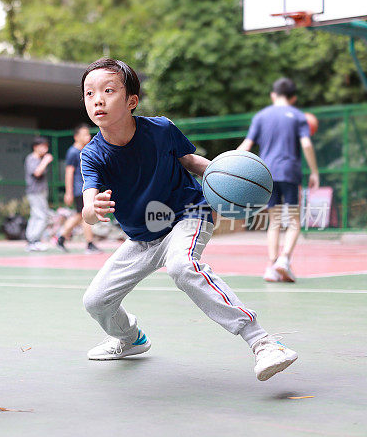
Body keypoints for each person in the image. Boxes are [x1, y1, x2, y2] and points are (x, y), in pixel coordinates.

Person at [79, 57, 298, 381]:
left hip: (188, 215)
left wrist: (232, 178)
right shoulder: (92, 155)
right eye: (89, 93)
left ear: (131, 101)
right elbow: (87, 204)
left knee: (182, 266)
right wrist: (92, 209)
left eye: (108, 90)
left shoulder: (161, 130)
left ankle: (264, 342)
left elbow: (191, 161)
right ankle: (129, 338)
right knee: (95, 301)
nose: (97, 99)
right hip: (142, 238)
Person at [237, 77, 320, 283]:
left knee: (274, 221)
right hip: (289, 173)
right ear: (293, 98)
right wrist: (314, 171)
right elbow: (307, 145)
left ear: (273, 95)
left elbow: (246, 145)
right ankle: (284, 260)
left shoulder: (261, 116)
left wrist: (231, 167)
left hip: (265, 175)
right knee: (293, 221)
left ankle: (271, 266)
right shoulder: (299, 116)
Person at [57, 124, 100, 253]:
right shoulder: (73, 152)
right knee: (84, 214)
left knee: (79, 216)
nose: (88, 136)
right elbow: (69, 172)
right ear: (76, 137)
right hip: (78, 189)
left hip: (83, 188)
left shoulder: (84, 150)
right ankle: (89, 244)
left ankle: (61, 238)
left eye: (88, 133)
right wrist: (68, 192)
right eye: (85, 134)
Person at [24, 136, 53, 251]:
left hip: (39, 191)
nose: (45, 149)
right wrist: (46, 161)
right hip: (35, 191)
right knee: (42, 216)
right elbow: (37, 172)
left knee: (36, 215)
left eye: (46, 146)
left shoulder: (37, 159)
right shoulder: (32, 158)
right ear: (36, 147)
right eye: (43, 146)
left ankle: (32, 240)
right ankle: (34, 240)